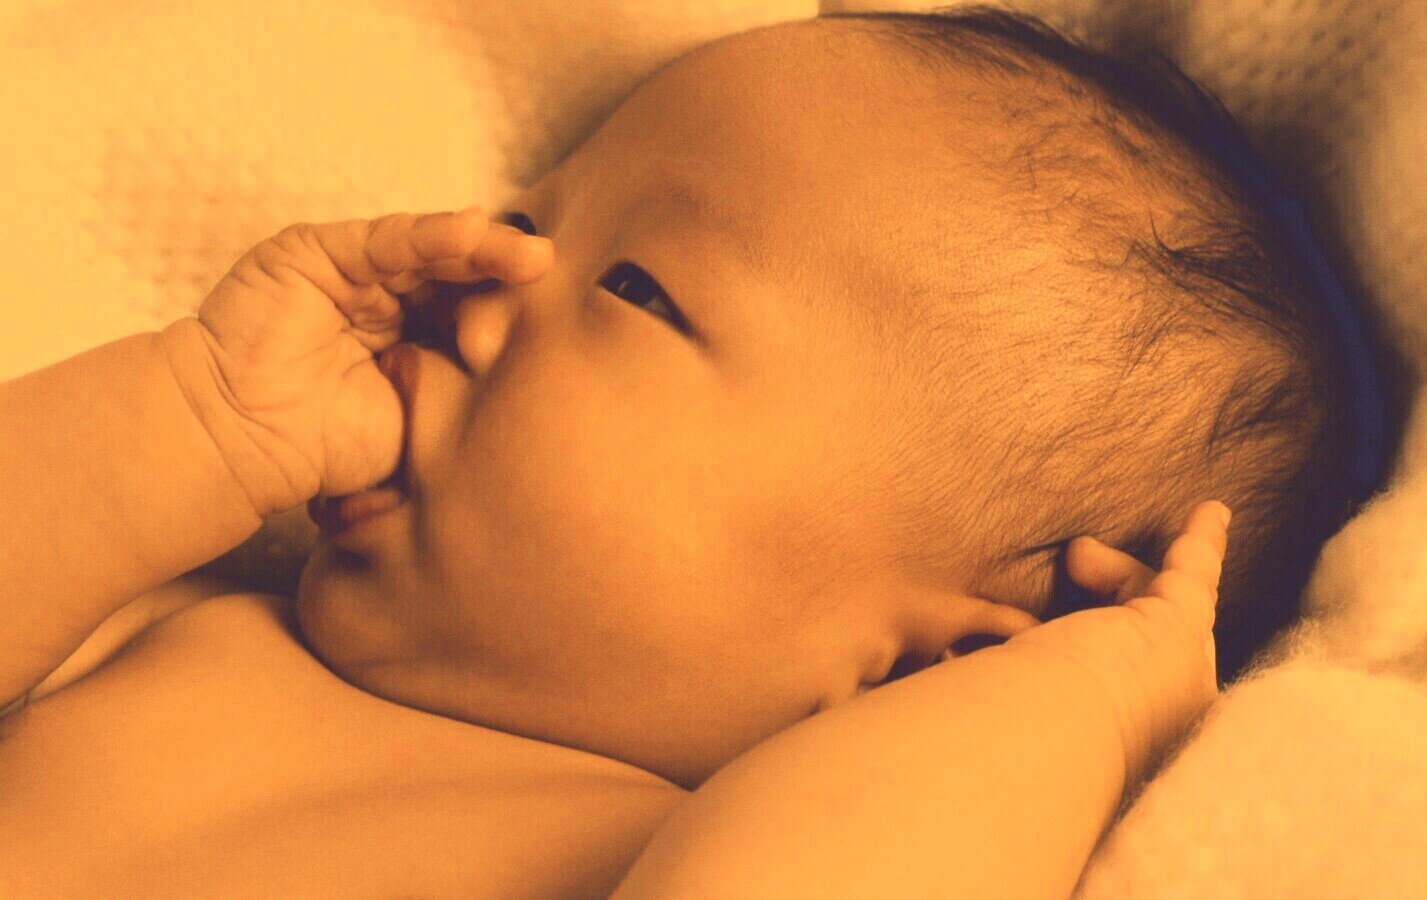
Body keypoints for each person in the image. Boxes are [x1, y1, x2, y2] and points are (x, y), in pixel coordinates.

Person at [0, 7, 1356, 896]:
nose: (483, 276)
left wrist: (1081, 706)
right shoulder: (183, 615)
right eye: (526, 221)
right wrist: (201, 416)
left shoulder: (679, 850)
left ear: (939, 668)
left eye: (635, 288)